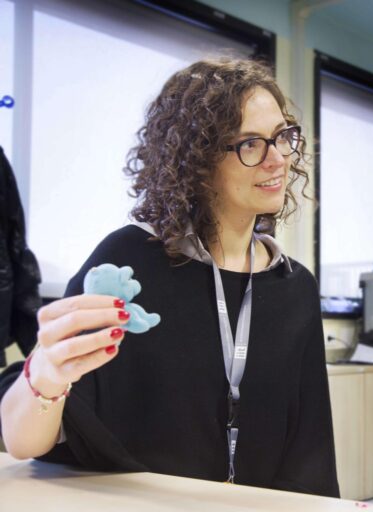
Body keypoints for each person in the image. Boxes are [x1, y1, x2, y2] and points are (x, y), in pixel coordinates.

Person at [0, 57, 340, 497]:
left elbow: (309, 449)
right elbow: (24, 440)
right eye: (251, 143)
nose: (277, 159)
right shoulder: (128, 262)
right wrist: (44, 373)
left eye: (282, 137)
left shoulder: (295, 286)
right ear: (197, 159)